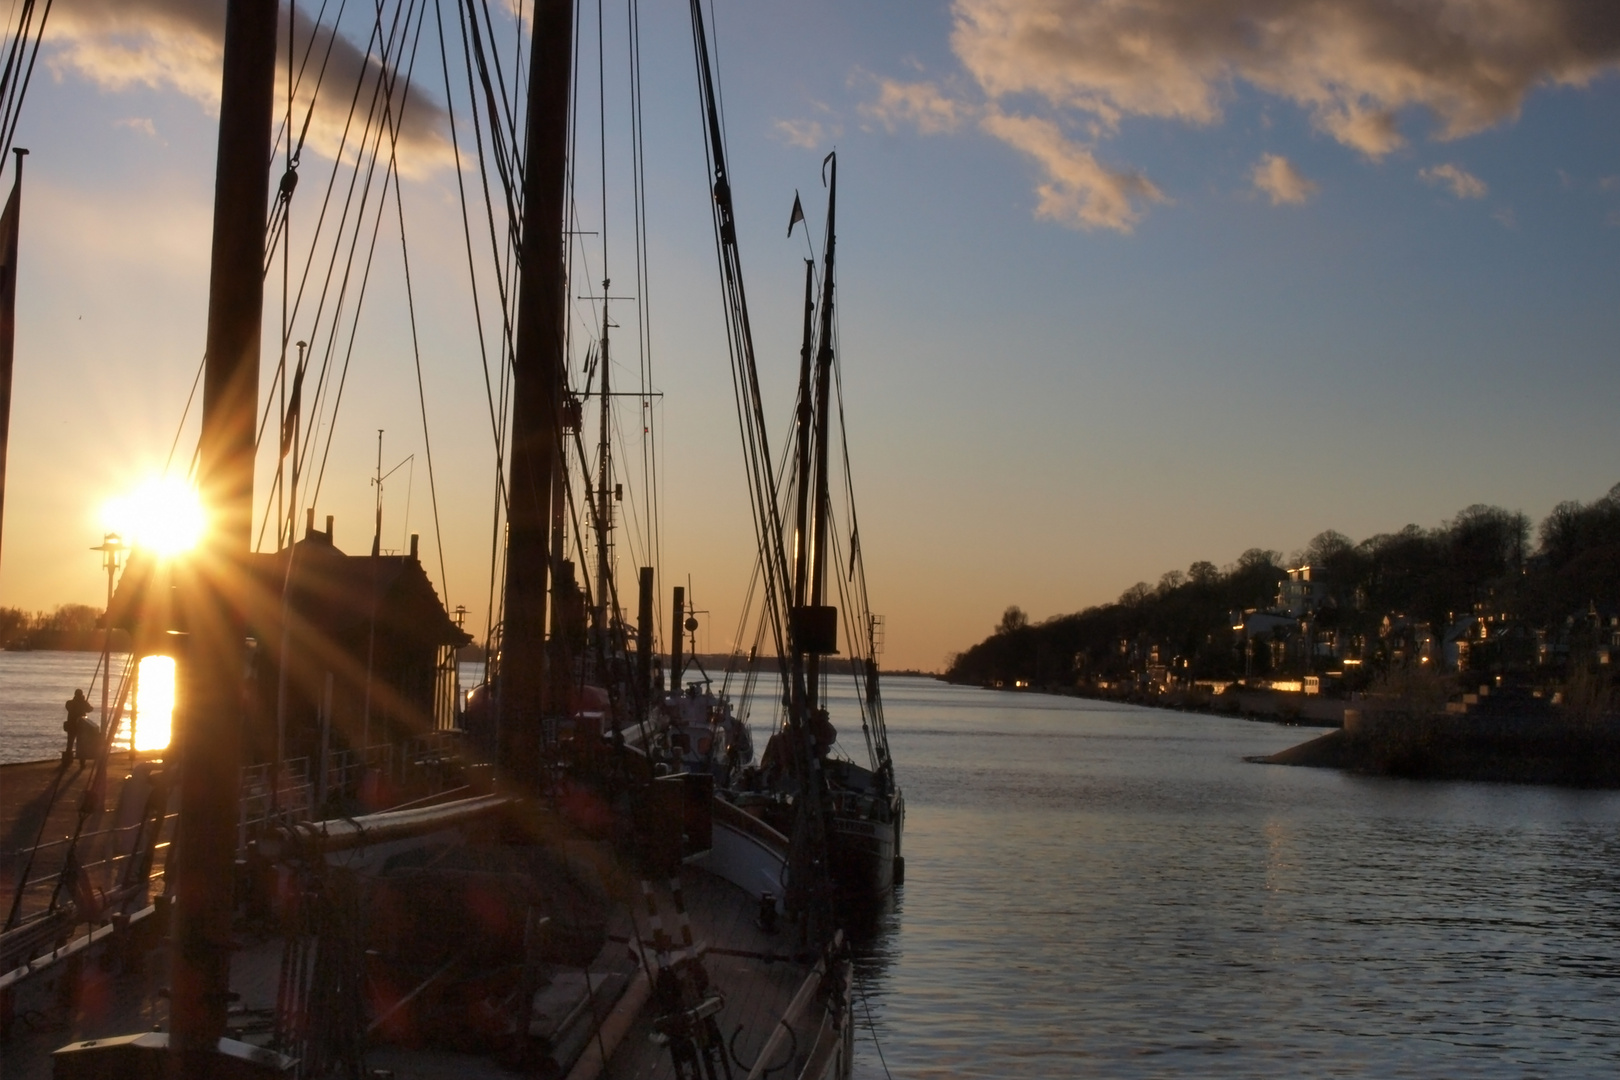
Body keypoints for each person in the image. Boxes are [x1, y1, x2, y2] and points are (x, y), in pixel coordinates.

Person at [63, 689, 93, 766]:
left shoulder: (69, 703)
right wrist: (84, 701)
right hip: (80, 726)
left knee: (70, 743)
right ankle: (82, 762)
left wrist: (83, 702)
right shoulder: (82, 703)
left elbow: (68, 707)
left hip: (71, 726)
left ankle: (67, 760)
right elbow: (90, 709)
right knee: (82, 744)